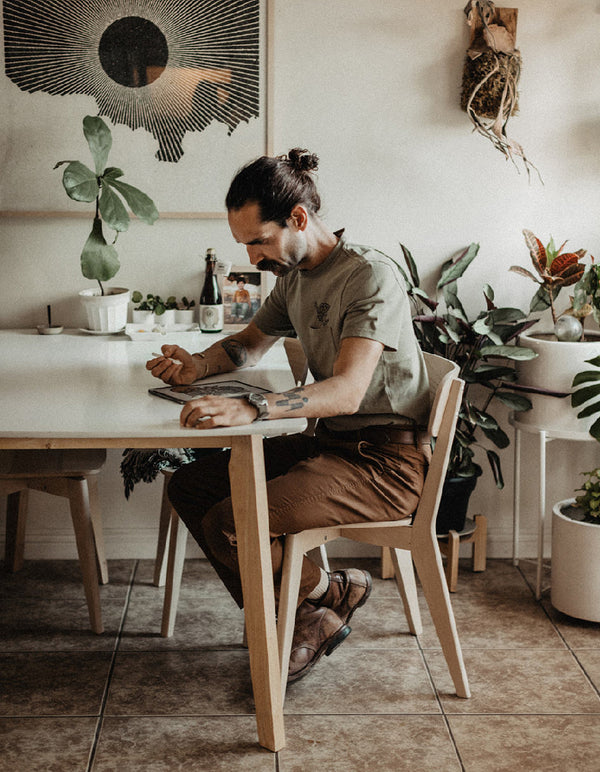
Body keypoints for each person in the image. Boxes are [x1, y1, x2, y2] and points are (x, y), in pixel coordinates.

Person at [147, 148, 430, 683]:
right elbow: (249, 345)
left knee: (233, 521)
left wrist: (252, 406)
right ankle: (320, 599)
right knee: (190, 485)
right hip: (333, 447)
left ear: (298, 218)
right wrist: (197, 365)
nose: (253, 257)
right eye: (245, 244)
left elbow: (346, 392)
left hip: (385, 464)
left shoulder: (369, 275)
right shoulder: (295, 276)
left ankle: (306, 610)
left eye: (259, 241)